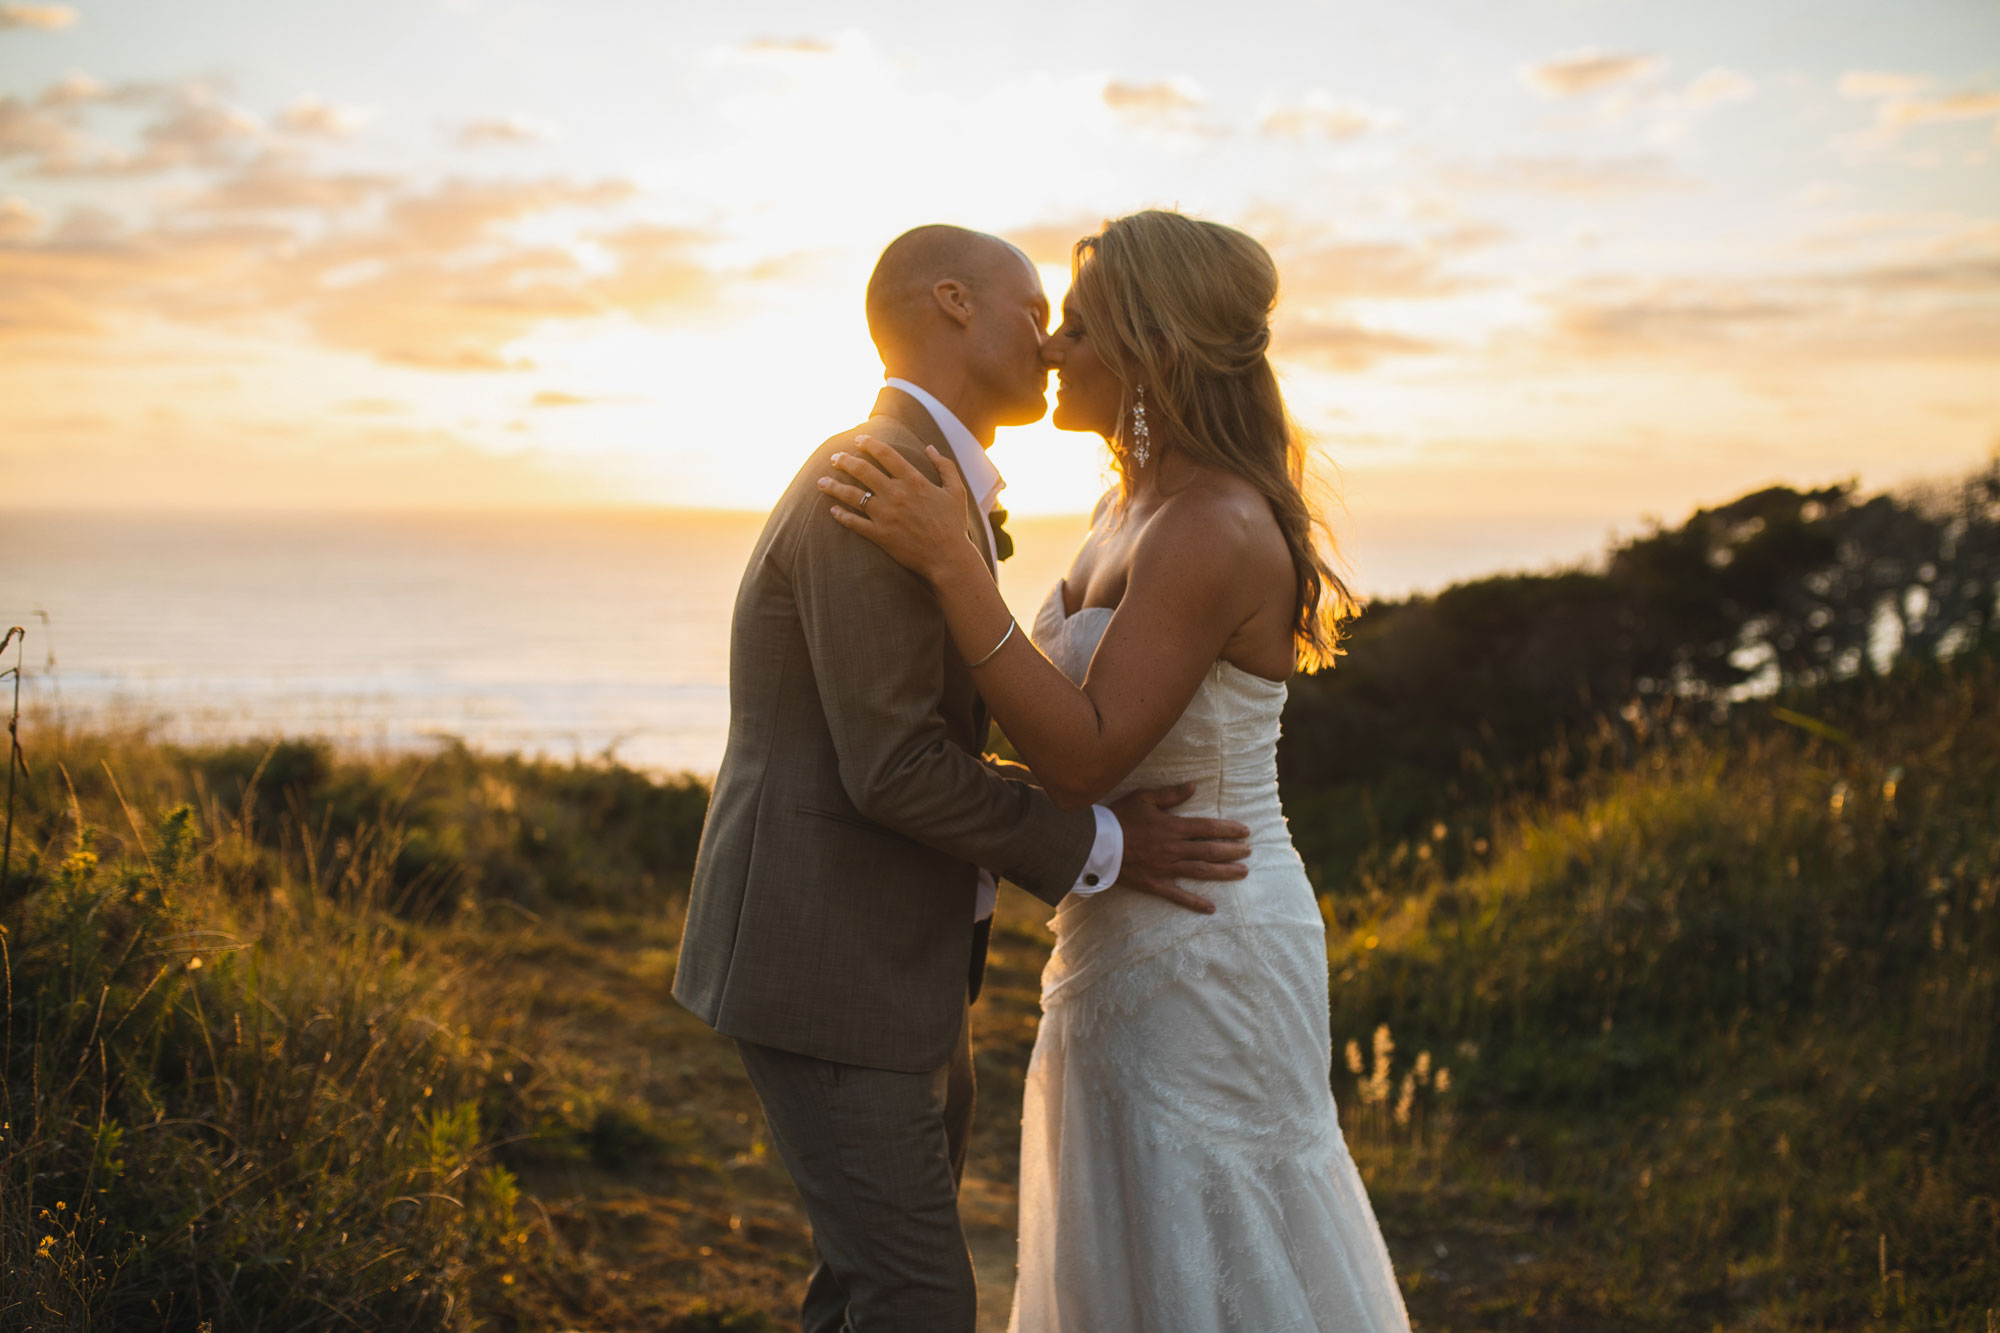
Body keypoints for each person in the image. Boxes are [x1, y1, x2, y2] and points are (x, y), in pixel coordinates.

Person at [820, 210, 1413, 1331]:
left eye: (1077, 329)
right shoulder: (1120, 510)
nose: (1050, 349)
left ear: (1152, 351)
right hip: (1117, 925)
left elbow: (1085, 747)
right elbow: (1068, 745)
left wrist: (957, 569)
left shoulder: (1213, 525)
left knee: (1214, 1234)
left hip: (1208, 928)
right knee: (1126, 1239)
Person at [671, 223, 1255, 1333]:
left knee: (863, 1287)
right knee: (917, 1299)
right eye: (1032, 308)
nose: (1050, 341)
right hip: (829, 966)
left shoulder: (924, 478)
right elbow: (892, 765)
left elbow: (906, 730)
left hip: (891, 958)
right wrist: (1105, 844)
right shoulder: (879, 479)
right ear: (949, 303)